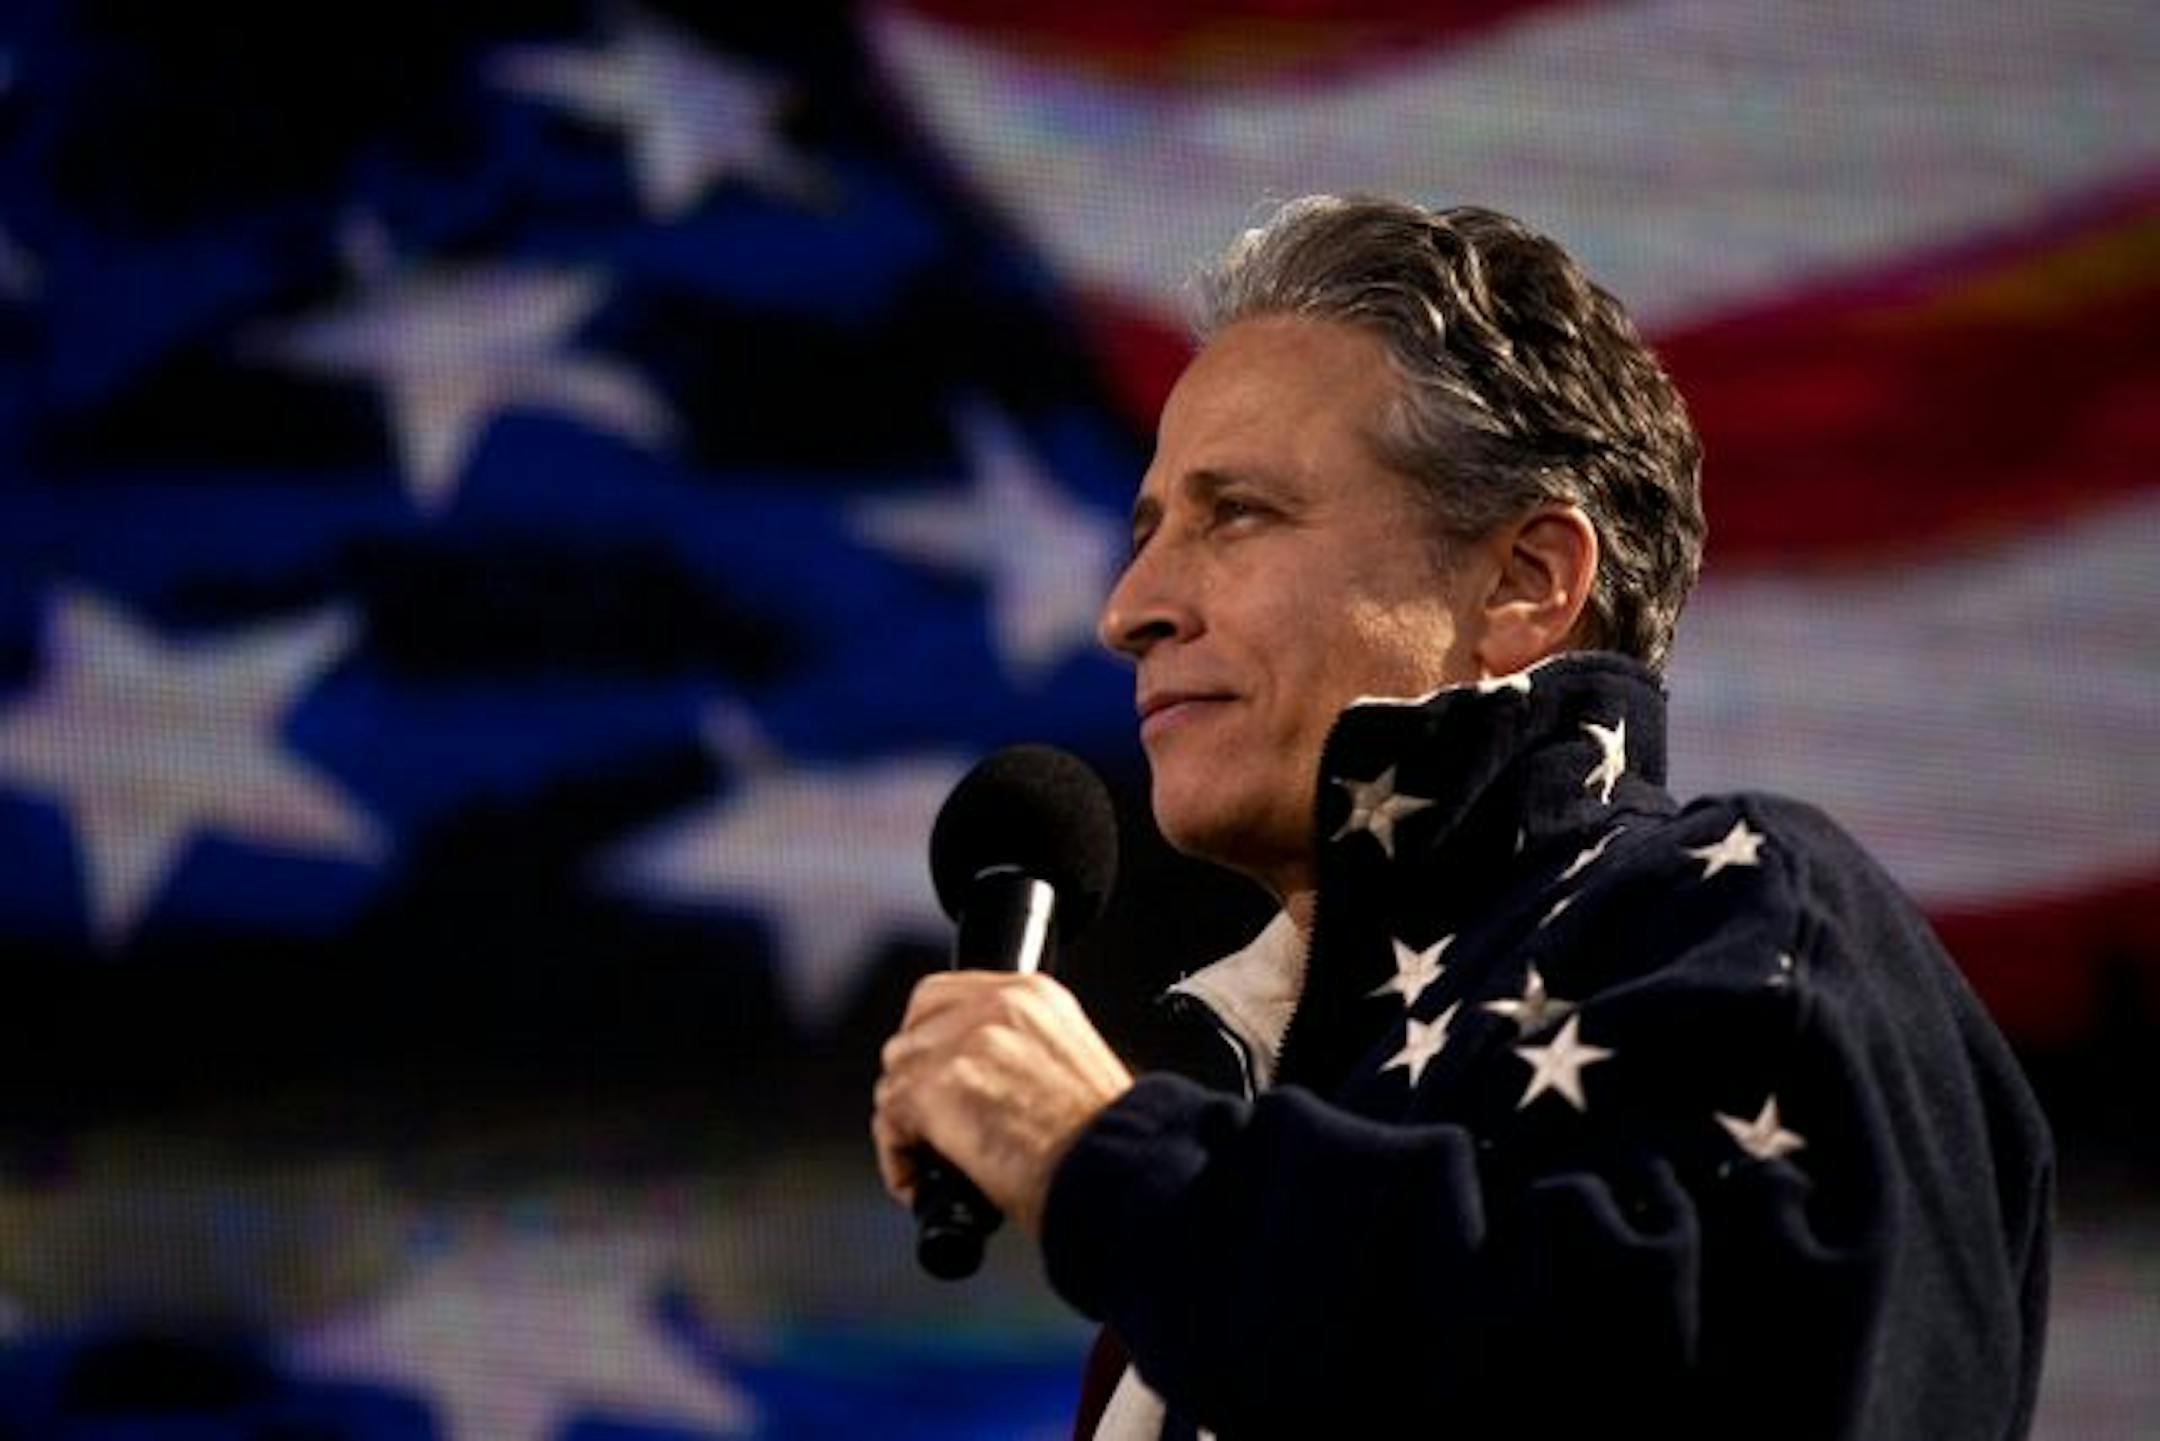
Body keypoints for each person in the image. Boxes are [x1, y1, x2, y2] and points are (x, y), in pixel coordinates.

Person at [870, 195, 2052, 1439]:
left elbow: (1674, 1383)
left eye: (1238, 514)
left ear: (1526, 581)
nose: (1130, 608)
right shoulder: (1255, 1160)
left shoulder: (1753, 915)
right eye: (1149, 529)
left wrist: (1115, 1167)